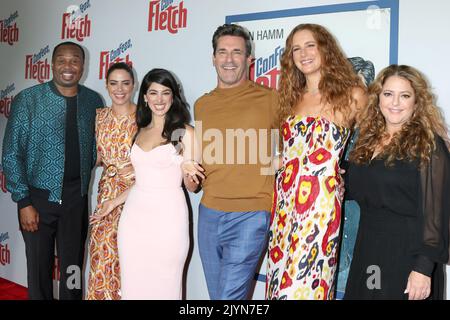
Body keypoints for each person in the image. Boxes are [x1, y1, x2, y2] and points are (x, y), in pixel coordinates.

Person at [266, 23, 367, 300]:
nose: (303, 53)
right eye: (296, 48)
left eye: (310, 45)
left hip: (320, 205)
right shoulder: (288, 98)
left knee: (307, 284)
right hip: (284, 204)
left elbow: (377, 143)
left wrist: (350, 177)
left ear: (325, 48)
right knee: (279, 281)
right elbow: (282, 154)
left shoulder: (353, 95)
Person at [1, 41, 103, 300]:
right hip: (37, 200)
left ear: (83, 65)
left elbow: (94, 147)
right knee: (39, 268)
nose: (68, 66)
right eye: (61, 60)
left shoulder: (93, 101)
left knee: (72, 268)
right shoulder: (29, 100)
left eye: (75, 60)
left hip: (75, 200)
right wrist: (23, 201)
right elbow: (11, 153)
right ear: (51, 63)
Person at [344, 64, 450, 300]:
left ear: (417, 102)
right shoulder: (367, 141)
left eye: (405, 96)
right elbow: (357, 188)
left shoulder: (429, 145)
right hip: (369, 250)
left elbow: (437, 214)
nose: (395, 103)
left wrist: (423, 269)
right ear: (378, 97)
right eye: (388, 94)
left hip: (408, 254)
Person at [194, 24, 279, 300]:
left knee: (228, 297)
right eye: (223, 52)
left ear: (248, 59)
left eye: (237, 52)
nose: (229, 59)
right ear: (213, 57)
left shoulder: (272, 100)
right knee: (219, 296)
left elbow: (300, 139)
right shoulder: (201, 104)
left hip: (251, 214)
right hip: (208, 212)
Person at [113, 68, 203, 299]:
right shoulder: (139, 130)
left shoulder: (184, 132)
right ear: (144, 96)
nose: (159, 99)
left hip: (168, 219)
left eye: (165, 93)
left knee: (166, 285)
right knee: (133, 285)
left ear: (173, 96)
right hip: (133, 219)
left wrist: (188, 170)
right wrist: (112, 202)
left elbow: (193, 187)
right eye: (153, 93)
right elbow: (144, 182)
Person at [86, 62, 137, 300]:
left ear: (133, 85)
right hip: (105, 196)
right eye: (114, 83)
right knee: (102, 256)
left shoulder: (145, 117)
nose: (120, 89)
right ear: (106, 86)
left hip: (136, 196)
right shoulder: (99, 117)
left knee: (131, 259)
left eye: (125, 83)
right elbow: (93, 156)